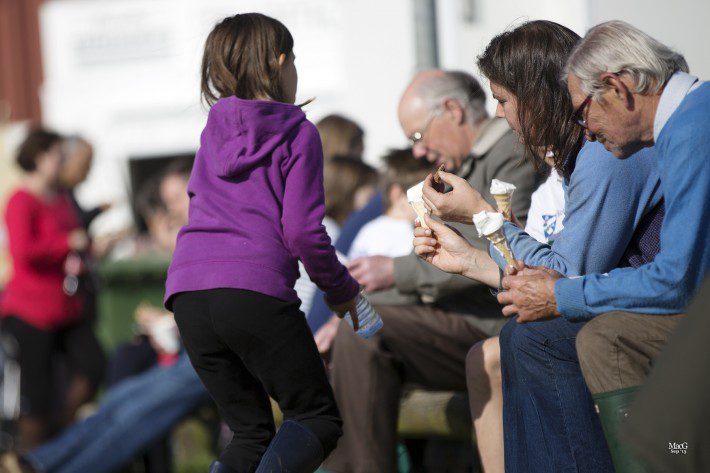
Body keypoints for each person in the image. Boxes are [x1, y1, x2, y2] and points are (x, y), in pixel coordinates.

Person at [414, 21, 664, 473]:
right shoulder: (583, 154)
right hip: (638, 305)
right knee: (521, 337)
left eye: (503, 99)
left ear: (534, 97)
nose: (496, 114)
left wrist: (481, 218)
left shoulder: (606, 153)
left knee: (535, 340)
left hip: (661, 316)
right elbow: (550, 280)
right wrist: (469, 259)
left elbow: (564, 277)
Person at [497, 20, 709, 470]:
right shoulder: (688, 120)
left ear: (617, 88)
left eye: (582, 112)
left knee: (596, 338)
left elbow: (677, 280)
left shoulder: (693, 127)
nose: (586, 132)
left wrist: (559, 295)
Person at [164, 13, 360, 473]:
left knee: (251, 433)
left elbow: (198, 205)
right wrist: (342, 290)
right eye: (295, 61)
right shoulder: (298, 132)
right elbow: (303, 232)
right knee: (316, 418)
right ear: (280, 61)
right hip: (253, 291)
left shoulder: (212, 132)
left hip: (188, 295)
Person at [322, 70, 537, 473]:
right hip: (464, 321)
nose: (417, 153)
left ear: (453, 110)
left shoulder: (509, 152)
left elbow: (506, 249)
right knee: (357, 327)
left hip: (494, 325)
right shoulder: (465, 164)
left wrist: (396, 272)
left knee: (365, 331)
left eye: (418, 137)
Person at [0, 129, 105, 450]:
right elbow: (24, 252)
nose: (62, 162)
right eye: (57, 155)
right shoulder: (21, 200)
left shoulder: (59, 197)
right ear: (39, 158)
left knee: (94, 365)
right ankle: (31, 459)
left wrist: (85, 248)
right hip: (30, 311)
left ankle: (60, 435)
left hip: (65, 308)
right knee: (38, 394)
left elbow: (72, 238)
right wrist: (65, 244)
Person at [315, 148, 431, 354]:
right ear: (398, 196)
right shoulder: (406, 233)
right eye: (427, 195)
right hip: (372, 325)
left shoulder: (368, 229)